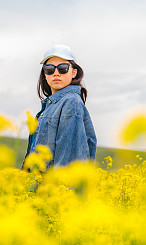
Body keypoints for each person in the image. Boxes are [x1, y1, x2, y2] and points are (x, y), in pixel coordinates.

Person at [24, 44, 97, 175]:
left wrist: (60, 193)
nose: (56, 73)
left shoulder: (71, 102)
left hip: (55, 191)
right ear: (45, 74)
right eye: (49, 69)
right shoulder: (49, 106)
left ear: (74, 72)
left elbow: (69, 159)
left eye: (63, 68)